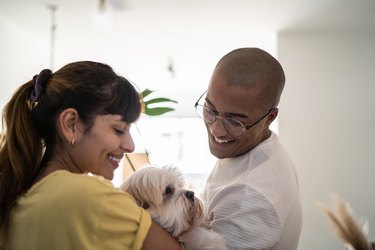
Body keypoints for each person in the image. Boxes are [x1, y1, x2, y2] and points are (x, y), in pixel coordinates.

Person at [0, 61, 182, 250]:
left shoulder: (18, 193)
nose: (130, 145)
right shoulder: (91, 197)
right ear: (71, 124)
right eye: (119, 129)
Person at [195, 48, 302, 249]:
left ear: (269, 118)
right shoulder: (265, 145)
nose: (217, 130)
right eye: (210, 110)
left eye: (234, 122)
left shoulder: (250, 198)